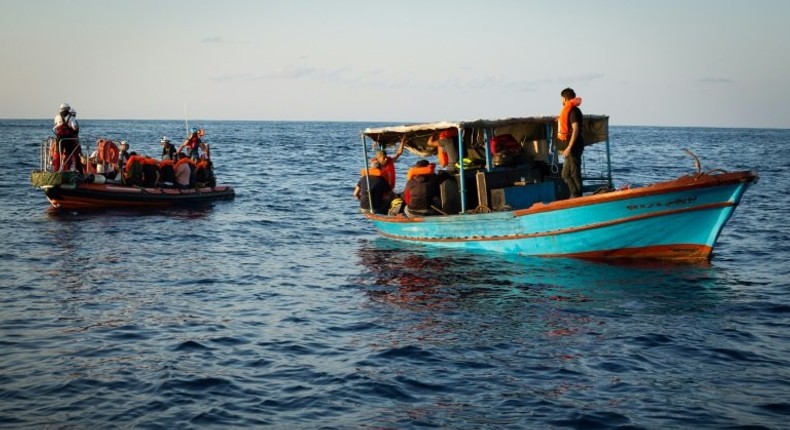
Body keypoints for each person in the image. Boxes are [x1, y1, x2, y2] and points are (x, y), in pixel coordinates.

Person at [557, 87, 584, 198]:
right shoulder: (569, 111)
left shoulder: (573, 111)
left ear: (564, 99)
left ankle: (579, 197)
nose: (561, 101)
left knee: (574, 173)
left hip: (574, 147)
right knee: (565, 174)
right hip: (570, 148)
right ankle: (576, 194)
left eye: (561, 98)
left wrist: (569, 147)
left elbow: (576, 129)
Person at [52, 103, 84, 174]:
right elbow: (75, 128)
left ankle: (56, 171)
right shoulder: (71, 118)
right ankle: (74, 171)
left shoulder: (57, 117)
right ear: (67, 109)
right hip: (69, 139)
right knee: (69, 155)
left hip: (59, 138)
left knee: (58, 154)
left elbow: (55, 127)